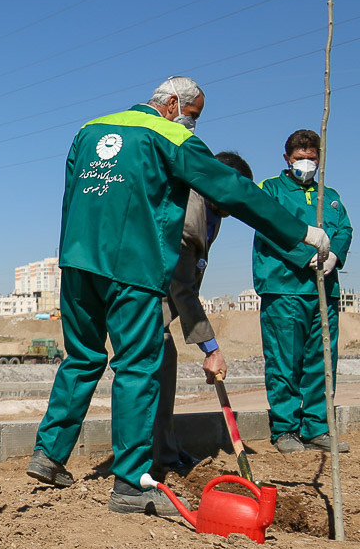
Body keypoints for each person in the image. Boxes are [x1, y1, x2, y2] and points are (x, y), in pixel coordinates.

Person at [25, 76, 329, 515]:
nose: (192, 126)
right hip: (131, 265)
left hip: (76, 261)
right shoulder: (168, 135)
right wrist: (299, 231)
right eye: (193, 116)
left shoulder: (90, 130)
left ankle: (49, 455)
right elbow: (232, 188)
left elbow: (73, 196)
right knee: (138, 366)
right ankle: (131, 484)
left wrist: (74, 250)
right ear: (171, 104)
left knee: (83, 357)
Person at [151, 151, 254, 478]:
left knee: (164, 366)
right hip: (147, 304)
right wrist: (212, 349)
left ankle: (166, 450)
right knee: (158, 365)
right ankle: (158, 457)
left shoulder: (214, 213)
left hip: (165, 306)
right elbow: (182, 288)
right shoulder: (190, 212)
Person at [254, 129, 352, 454]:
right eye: (300, 159)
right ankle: (285, 429)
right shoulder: (272, 190)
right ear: (287, 159)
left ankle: (317, 428)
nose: (306, 164)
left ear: (320, 159)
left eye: (312, 159)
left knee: (321, 361)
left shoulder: (331, 195)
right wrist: (303, 255)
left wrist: (334, 255)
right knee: (284, 362)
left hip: (323, 290)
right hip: (285, 289)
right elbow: (270, 226)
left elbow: (344, 228)